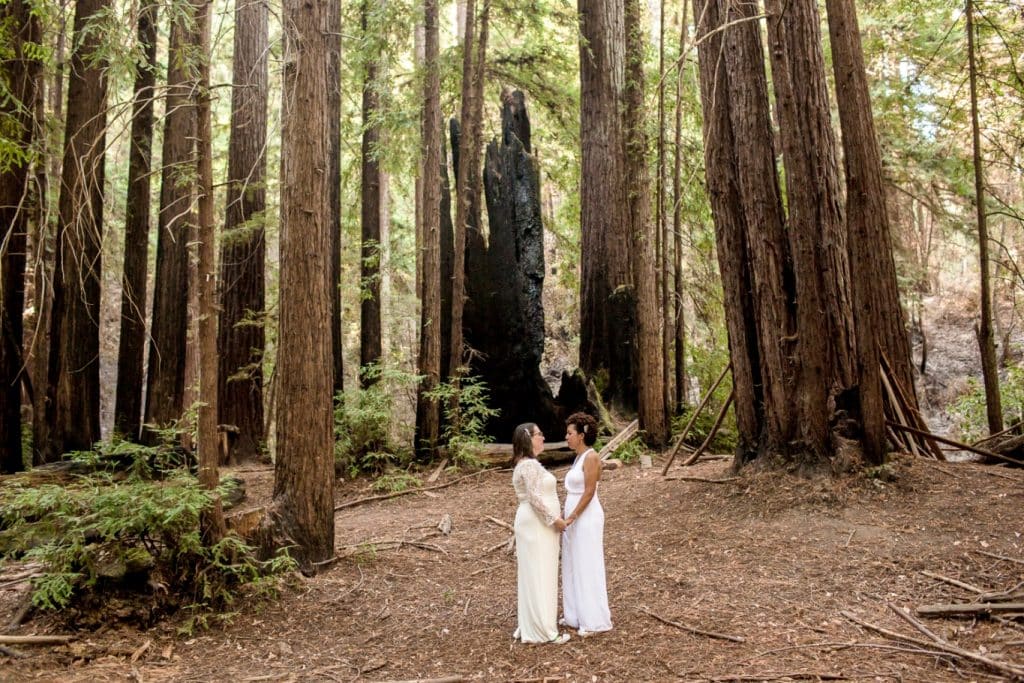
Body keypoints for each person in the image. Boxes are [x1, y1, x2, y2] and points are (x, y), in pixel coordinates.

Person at [511, 422, 570, 644]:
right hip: (536, 524)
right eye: (539, 434)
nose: (543, 437)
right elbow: (535, 499)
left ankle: (534, 621)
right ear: (528, 438)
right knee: (539, 571)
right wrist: (555, 520)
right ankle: (543, 629)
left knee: (541, 570)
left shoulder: (531, 464)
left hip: (538, 523)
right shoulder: (528, 466)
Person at [561, 412, 612, 635]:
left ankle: (593, 619)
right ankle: (574, 613)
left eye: (570, 433)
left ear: (581, 435)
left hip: (586, 515)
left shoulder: (591, 457)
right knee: (573, 561)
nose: (566, 437)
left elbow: (590, 491)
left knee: (587, 562)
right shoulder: (578, 457)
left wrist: (572, 516)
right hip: (573, 514)